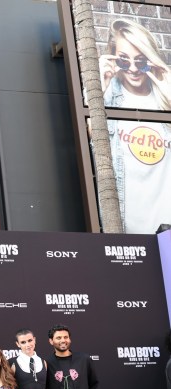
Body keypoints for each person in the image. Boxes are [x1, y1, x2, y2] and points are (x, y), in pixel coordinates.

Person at [100, 19, 171, 234]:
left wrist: (167, 86)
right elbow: (87, 141)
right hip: (125, 229)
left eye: (140, 62)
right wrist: (99, 86)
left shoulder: (163, 98)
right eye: (123, 61)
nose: (132, 69)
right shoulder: (110, 96)